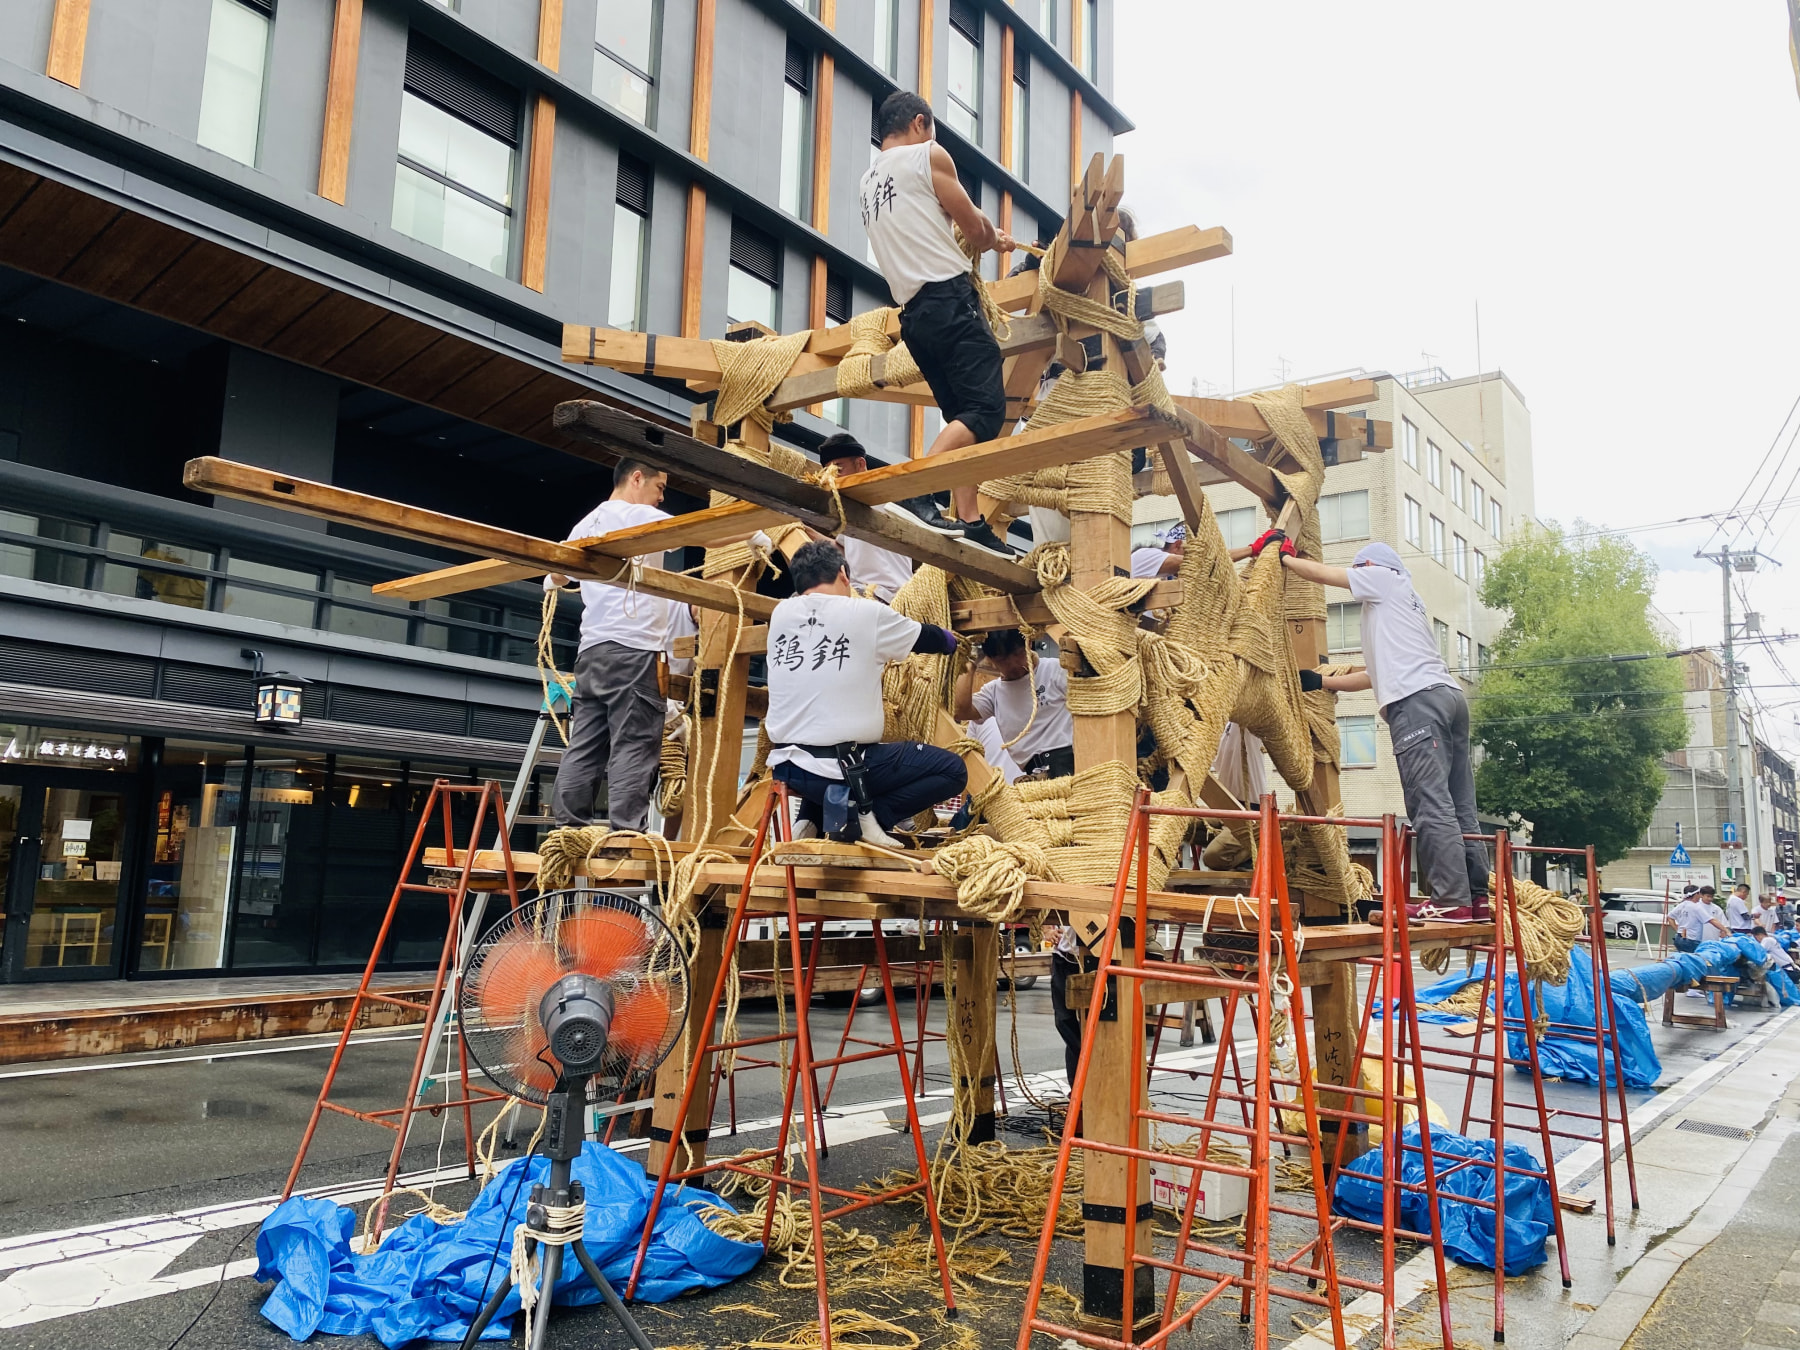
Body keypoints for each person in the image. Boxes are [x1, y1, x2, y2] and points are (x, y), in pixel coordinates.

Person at [1266, 536, 1490, 920]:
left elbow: (1328, 575)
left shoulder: (1385, 579)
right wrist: (1322, 682)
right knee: (1458, 804)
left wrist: (1284, 558)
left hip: (1417, 705)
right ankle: (1475, 898)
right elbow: (1374, 675)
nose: (1357, 579)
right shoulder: (1402, 607)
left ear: (1371, 568)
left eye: (1360, 570)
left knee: (1429, 803)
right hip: (1447, 697)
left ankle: (1450, 901)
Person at [859, 90, 1018, 559]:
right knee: (988, 411)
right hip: (949, 301)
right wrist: (994, 239)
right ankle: (918, 488)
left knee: (963, 417)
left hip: (915, 317)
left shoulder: (867, 183)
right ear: (920, 122)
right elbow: (972, 227)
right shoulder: (928, 155)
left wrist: (986, 233)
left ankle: (968, 517)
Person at [764, 541, 967, 849]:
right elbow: (927, 638)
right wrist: (955, 641)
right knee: (953, 770)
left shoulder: (779, 615)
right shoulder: (865, 613)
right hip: (845, 766)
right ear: (844, 575)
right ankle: (866, 818)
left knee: (822, 736)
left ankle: (814, 818)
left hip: (787, 767)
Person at [548, 458, 712, 830]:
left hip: (592, 651)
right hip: (633, 649)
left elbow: (556, 573)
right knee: (635, 742)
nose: (661, 497)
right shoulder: (637, 517)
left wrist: (556, 575)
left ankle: (568, 828)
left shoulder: (586, 524)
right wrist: (752, 534)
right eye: (660, 488)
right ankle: (626, 833)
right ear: (637, 478)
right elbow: (704, 535)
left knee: (586, 744)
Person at [954, 630, 1075, 779]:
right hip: (1034, 774)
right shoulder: (993, 692)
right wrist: (969, 662)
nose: (1013, 664)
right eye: (1003, 660)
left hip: (1070, 765)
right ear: (990, 659)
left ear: (1028, 644)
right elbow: (960, 710)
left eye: (1017, 654)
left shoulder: (1057, 671)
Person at [813, 433, 914, 603]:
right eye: (828, 470)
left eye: (839, 468)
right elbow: (843, 549)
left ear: (860, 464)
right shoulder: (850, 510)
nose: (833, 476)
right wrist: (802, 531)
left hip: (889, 594)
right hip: (863, 595)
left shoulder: (883, 498)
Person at [1669, 883, 1729, 952]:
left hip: (1679, 938)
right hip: (1691, 940)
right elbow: (1712, 920)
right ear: (1696, 894)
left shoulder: (1683, 904)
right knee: (1693, 960)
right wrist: (1726, 930)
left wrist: (1677, 930)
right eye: (1699, 894)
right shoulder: (1697, 907)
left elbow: (1670, 917)